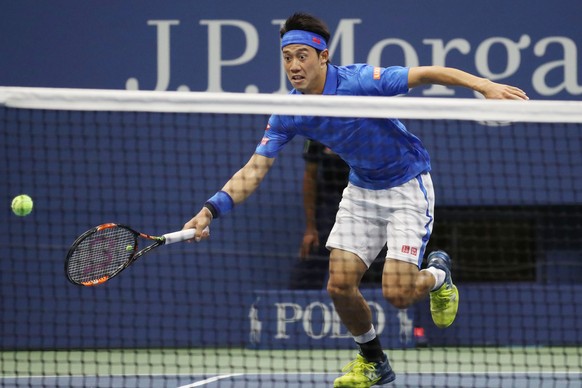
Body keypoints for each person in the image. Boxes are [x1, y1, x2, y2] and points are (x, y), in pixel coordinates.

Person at [183, 12, 528, 387]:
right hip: (362, 191)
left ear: (323, 56)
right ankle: (374, 361)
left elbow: (427, 72)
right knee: (339, 284)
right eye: (287, 57)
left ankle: (438, 275)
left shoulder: (361, 81)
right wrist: (209, 209)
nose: (294, 66)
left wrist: (484, 85)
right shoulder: (290, 111)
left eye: (302, 56)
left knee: (397, 294)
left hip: (407, 186)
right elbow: (254, 170)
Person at [291, 139, 384, 289]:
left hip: (365, 198)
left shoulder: (369, 128)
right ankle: (298, 298)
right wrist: (310, 228)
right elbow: (310, 176)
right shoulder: (317, 129)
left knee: (373, 257)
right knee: (314, 248)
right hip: (329, 199)